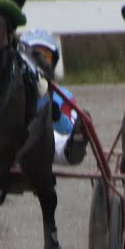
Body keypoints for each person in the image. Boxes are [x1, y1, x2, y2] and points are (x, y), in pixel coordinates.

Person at [19, 27, 88, 164]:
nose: (39, 62)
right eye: (32, 55)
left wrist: (57, 118)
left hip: (47, 146)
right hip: (13, 143)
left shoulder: (63, 96)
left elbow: (67, 129)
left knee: (60, 135)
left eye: (45, 56)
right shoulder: (11, 91)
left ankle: (72, 149)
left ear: (53, 61)